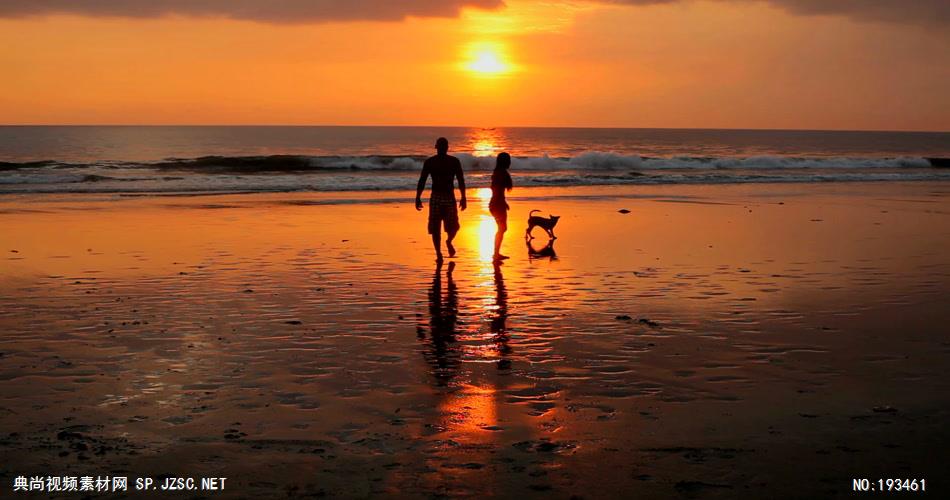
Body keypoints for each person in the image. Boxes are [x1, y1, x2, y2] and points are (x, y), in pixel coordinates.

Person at [416, 137, 467, 262]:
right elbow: (422, 180)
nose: (442, 149)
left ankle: (448, 242)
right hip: (437, 196)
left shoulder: (454, 161)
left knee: (453, 226)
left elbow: (461, 179)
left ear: (446, 147)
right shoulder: (430, 162)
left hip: (448, 196)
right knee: (435, 227)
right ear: (437, 147)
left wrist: (464, 197)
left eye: (443, 146)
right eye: (441, 146)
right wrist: (417, 197)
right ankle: (438, 253)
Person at [489, 152, 513, 261]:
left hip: (497, 203)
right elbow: (497, 191)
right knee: (502, 228)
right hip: (497, 205)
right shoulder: (500, 173)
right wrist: (502, 202)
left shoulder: (498, 172)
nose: (510, 162)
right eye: (508, 160)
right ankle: (496, 254)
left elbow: (498, 191)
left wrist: (504, 202)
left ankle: (496, 253)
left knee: (502, 228)